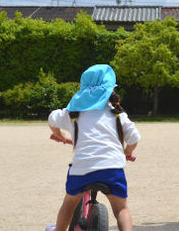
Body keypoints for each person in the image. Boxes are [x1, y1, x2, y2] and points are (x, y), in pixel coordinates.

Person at [48, 64, 141, 231]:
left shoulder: (74, 113)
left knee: (69, 204)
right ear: (112, 91)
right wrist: (127, 152)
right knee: (121, 209)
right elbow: (134, 137)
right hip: (112, 169)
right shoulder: (117, 113)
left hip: (82, 170)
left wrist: (60, 135)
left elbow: (52, 118)